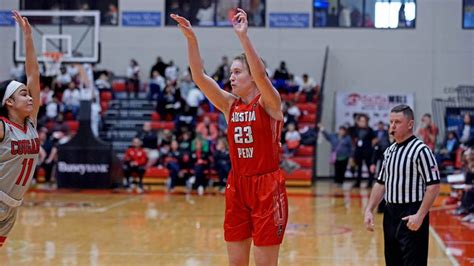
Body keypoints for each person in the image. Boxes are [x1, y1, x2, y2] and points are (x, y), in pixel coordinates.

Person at [171, 8, 288, 266]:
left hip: (267, 187)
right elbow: (199, 78)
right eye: (231, 72)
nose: (231, 77)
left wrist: (243, 37)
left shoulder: (269, 103)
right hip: (237, 185)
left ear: (253, 77)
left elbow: (260, 75)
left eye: (237, 72)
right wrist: (191, 39)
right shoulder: (230, 105)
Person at [364, 105, 440, 266]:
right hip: (390, 212)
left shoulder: (421, 150)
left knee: (413, 262)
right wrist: (369, 209)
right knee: (392, 261)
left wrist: (420, 215)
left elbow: (433, 186)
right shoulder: (389, 151)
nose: (392, 126)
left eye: (397, 122)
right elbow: (380, 183)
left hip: (412, 212)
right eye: (391, 122)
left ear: (410, 124)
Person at [0, 11, 41, 247]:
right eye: (23, 94)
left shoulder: (31, 122)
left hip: (13, 205)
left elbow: (33, 74)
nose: (30, 97)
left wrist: (28, 37)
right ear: (9, 102)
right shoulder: (3, 127)